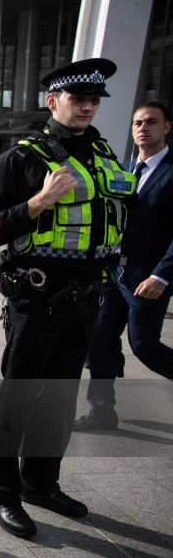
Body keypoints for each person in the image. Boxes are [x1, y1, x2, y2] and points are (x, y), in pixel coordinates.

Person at [0, 58, 136, 537]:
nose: (87, 105)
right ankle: (2, 493)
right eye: (77, 98)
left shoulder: (105, 154)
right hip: (36, 299)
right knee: (18, 399)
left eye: (94, 100)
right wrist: (39, 202)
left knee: (61, 399)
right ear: (53, 101)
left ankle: (41, 482)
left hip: (88, 298)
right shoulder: (22, 158)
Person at [79, 100, 173, 431]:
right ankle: (102, 412)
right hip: (113, 273)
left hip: (148, 275)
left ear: (167, 127)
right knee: (100, 339)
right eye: (137, 123)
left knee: (144, 345)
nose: (143, 128)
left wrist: (161, 274)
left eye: (151, 122)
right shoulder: (124, 171)